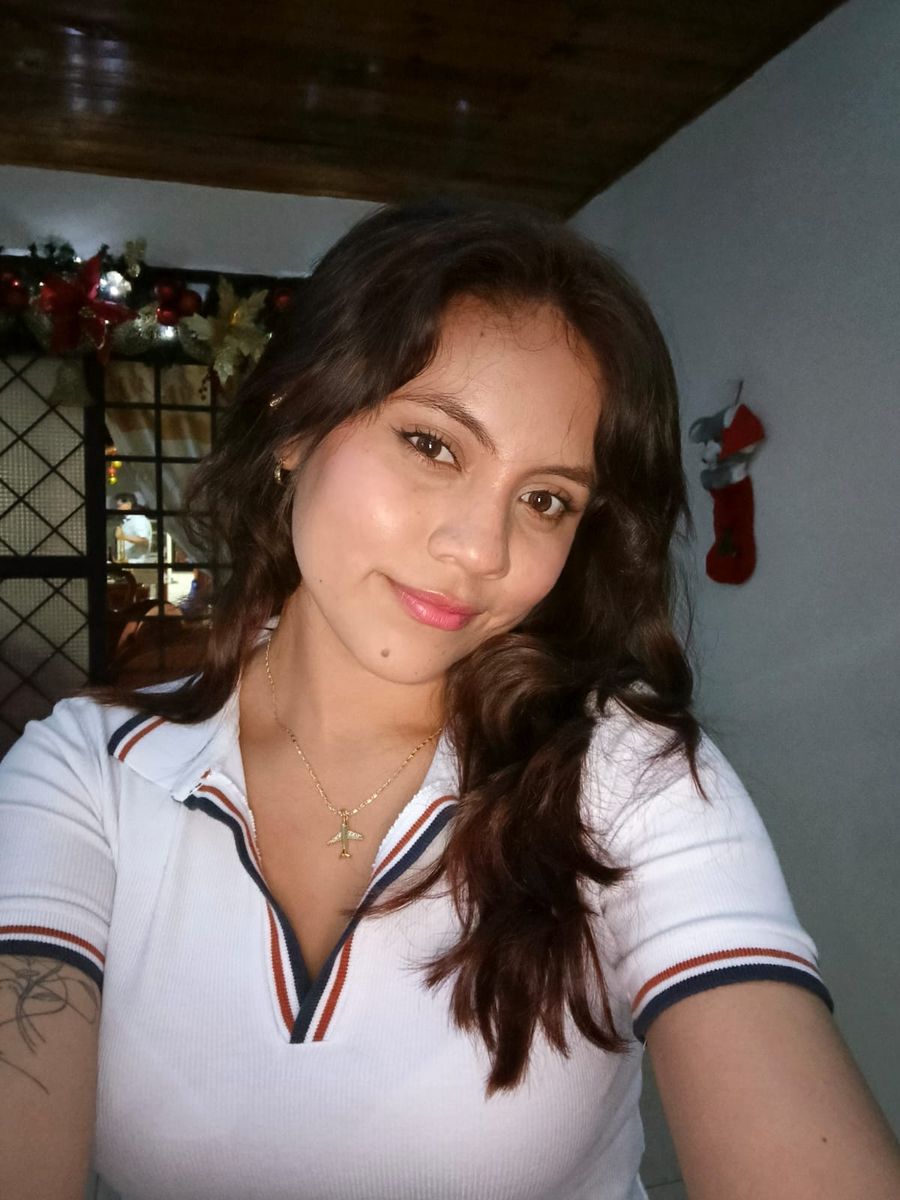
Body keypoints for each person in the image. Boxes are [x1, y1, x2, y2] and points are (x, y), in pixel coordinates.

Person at [1, 198, 897, 1200]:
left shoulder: (624, 775)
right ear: (296, 422)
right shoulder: (87, 774)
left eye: (545, 499)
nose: (481, 550)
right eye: (433, 445)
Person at [112, 492, 154, 564]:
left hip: (136, 565)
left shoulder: (138, 519)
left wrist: (124, 537)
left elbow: (144, 541)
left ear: (129, 504)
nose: (118, 509)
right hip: (127, 563)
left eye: (119, 506)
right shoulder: (127, 521)